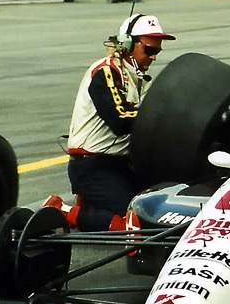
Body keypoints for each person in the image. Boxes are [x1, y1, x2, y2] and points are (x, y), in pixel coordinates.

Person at [45, 14, 176, 231]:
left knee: (160, 210)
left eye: (157, 52)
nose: (153, 57)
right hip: (92, 165)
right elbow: (120, 120)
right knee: (136, 222)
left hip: (121, 165)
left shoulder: (138, 78)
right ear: (127, 44)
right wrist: (162, 117)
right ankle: (62, 210)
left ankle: (90, 204)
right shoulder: (106, 72)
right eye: (149, 50)